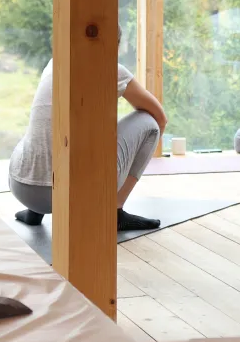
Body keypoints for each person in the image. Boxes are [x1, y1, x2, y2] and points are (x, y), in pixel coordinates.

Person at [9, 55, 167, 232]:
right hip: (70, 196)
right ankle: (115, 212)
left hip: (22, 189)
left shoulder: (55, 62)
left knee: (43, 124)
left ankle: (35, 212)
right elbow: (160, 118)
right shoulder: (112, 69)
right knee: (150, 123)